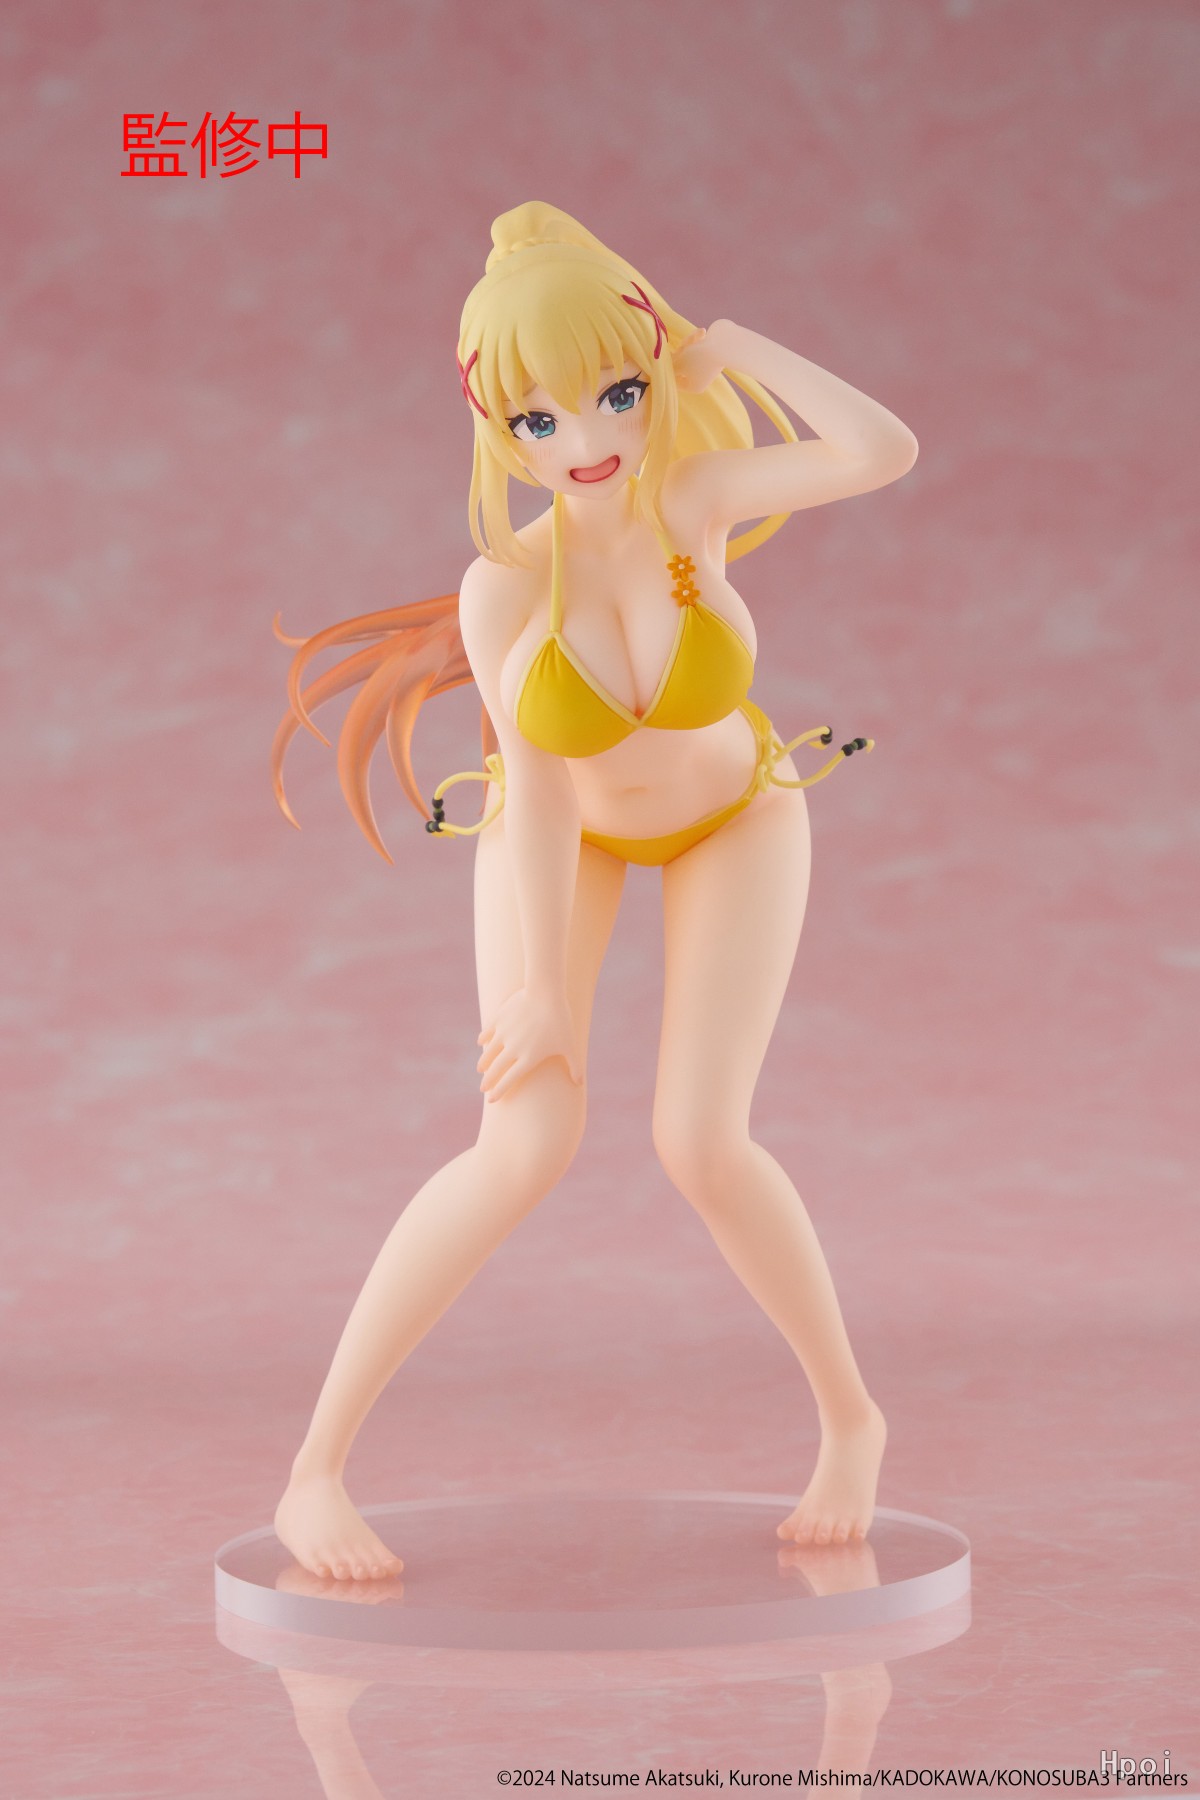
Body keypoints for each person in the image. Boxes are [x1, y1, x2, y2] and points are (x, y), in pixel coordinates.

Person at [270, 202, 918, 1580]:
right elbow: (543, 793)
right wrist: (538, 994)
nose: (586, 440)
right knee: (521, 1143)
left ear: (655, 371)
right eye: (537, 418)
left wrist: (729, 345)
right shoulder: (505, 586)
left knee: (702, 1141)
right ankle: (313, 1471)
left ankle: (851, 1420)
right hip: (558, 839)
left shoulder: (694, 497)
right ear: (494, 429)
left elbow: (882, 451)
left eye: (616, 393)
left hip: (740, 817)